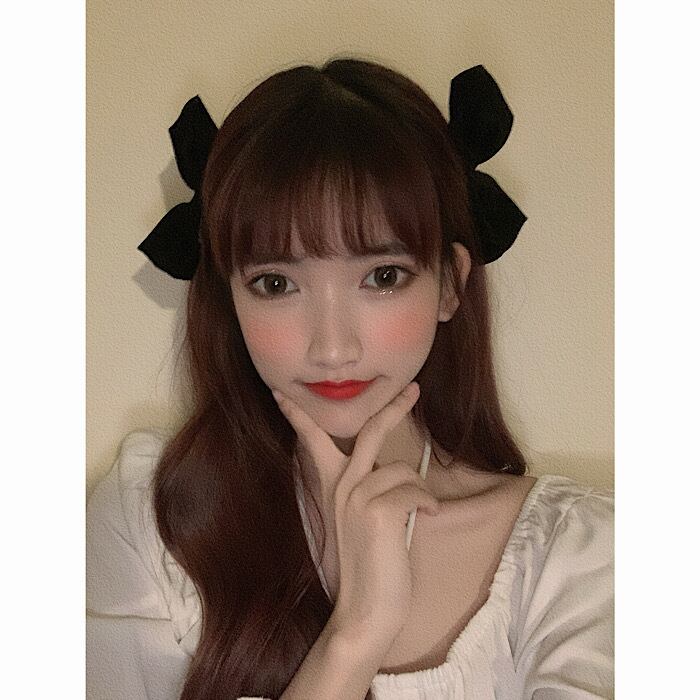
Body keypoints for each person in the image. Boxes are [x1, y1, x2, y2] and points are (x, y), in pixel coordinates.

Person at [87, 58, 613, 699]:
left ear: (450, 284)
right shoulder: (153, 524)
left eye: (383, 277)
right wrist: (358, 632)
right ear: (229, 299)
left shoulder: (576, 557)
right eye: (275, 284)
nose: (333, 348)